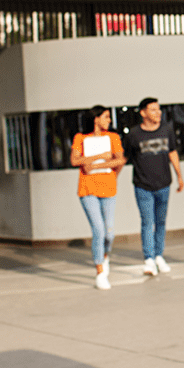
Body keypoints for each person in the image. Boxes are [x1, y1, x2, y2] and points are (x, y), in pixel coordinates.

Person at [123, 97, 184, 276]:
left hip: (164, 184)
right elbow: (124, 157)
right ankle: (149, 259)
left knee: (161, 221)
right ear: (143, 113)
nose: (158, 113)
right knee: (147, 222)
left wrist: (179, 176)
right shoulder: (134, 134)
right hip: (143, 186)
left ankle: (159, 256)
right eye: (153, 109)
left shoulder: (166, 130)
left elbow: (172, 152)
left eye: (159, 109)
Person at [69, 105, 125, 290]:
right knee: (98, 230)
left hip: (108, 188)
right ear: (96, 118)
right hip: (88, 189)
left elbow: (120, 159)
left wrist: (93, 164)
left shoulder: (113, 137)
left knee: (109, 233)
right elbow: (75, 160)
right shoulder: (80, 138)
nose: (109, 120)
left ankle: (105, 256)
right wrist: (101, 156)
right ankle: (100, 272)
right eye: (106, 116)